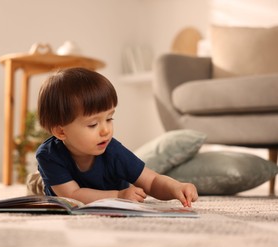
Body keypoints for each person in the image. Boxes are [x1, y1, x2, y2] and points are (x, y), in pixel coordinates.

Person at [35, 67, 198, 207]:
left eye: (109, 118)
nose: (106, 130)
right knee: (38, 185)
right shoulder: (48, 155)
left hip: (100, 186)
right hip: (60, 187)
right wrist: (119, 196)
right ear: (61, 132)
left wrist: (176, 187)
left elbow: (151, 181)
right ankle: (37, 179)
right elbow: (72, 194)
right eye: (93, 125)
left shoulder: (113, 151)